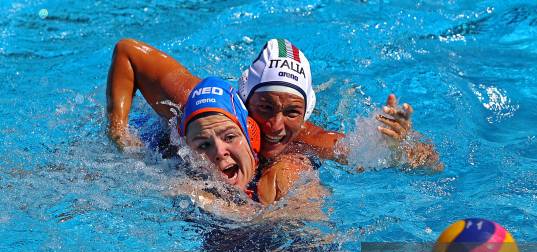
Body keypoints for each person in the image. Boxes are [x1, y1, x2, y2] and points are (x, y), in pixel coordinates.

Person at [106, 38, 442, 170]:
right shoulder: (200, 103)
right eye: (264, 107)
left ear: (305, 112)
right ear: (244, 98)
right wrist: (119, 132)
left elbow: (431, 162)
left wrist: (393, 145)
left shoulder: (305, 140)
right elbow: (128, 53)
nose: (276, 125)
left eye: (291, 112)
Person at [172, 75, 313, 205]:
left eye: (229, 137)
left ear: (251, 139)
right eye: (204, 145)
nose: (220, 152)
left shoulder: (286, 172)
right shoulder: (183, 186)